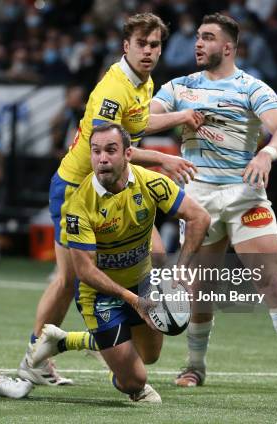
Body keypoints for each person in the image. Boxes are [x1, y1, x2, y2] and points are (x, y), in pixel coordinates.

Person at [18, 12, 205, 386]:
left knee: (154, 253)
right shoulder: (111, 91)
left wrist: (180, 116)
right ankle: (35, 354)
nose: (149, 51)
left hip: (114, 187)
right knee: (69, 279)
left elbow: (137, 125)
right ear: (126, 46)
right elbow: (109, 150)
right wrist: (164, 158)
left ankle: (116, 336)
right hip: (77, 188)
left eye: (155, 45)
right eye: (142, 44)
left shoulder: (144, 82)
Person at [150, 13, 277, 393]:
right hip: (198, 198)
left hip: (245, 194)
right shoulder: (179, 87)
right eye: (197, 36)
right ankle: (195, 366)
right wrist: (180, 116)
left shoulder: (251, 88)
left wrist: (267, 155)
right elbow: (142, 120)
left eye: (207, 37)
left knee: (271, 281)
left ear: (227, 47)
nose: (198, 43)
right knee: (201, 288)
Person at [29, 123, 209, 402]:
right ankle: (113, 357)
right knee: (135, 383)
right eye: (96, 151)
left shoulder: (151, 182)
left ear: (128, 154)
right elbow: (85, 271)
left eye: (111, 150)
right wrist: (131, 299)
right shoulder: (78, 205)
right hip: (100, 294)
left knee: (150, 355)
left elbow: (199, 217)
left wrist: (182, 270)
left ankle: (64, 340)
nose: (102, 158)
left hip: (142, 282)